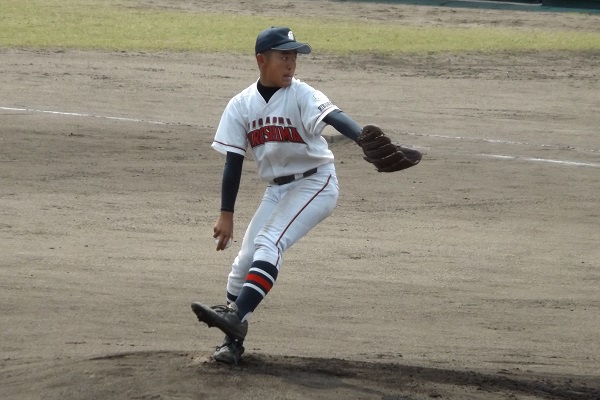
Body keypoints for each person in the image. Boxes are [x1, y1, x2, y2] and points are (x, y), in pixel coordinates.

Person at [191, 26, 419, 365]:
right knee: (243, 263)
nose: (291, 64)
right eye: (283, 56)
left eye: (294, 57)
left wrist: (360, 137)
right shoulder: (240, 105)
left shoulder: (301, 94)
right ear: (261, 60)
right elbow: (233, 162)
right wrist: (227, 213)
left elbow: (334, 117)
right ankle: (232, 341)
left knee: (270, 242)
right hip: (277, 189)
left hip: (316, 183)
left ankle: (235, 316)